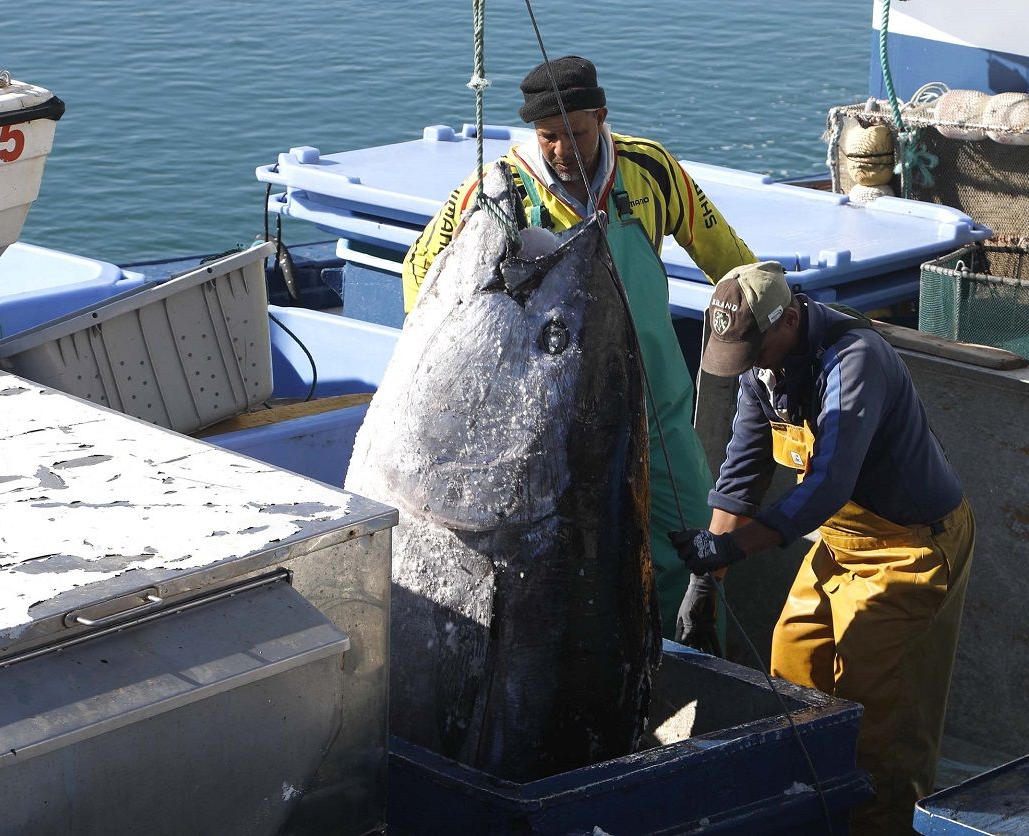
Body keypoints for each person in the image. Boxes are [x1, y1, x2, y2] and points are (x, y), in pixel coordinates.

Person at [402, 55, 756, 637]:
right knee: (568, 559)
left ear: (602, 116)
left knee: (695, 537)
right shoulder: (496, 192)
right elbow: (420, 277)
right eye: (549, 138)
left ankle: (698, 668)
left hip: (656, 402)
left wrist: (776, 325)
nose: (564, 151)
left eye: (577, 134)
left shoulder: (651, 170)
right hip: (552, 415)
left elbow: (730, 260)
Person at [670, 261, 976, 833]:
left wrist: (733, 553)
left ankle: (878, 824)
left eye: (755, 348)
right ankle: (809, 815)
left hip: (910, 551)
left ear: (788, 319)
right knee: (793, 662)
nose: (749, 364)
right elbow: (741, 475)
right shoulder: (763, 368)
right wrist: (703, 582)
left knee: (877, 714)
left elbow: (830, 483)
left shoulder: (854, 358)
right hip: (840, 543)